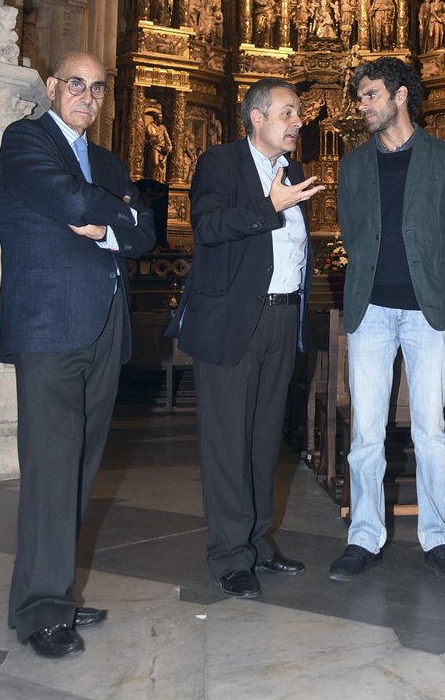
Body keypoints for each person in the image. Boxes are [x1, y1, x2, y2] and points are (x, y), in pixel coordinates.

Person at [0, 52, 156, 658]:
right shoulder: (25, 141)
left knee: (81, 469)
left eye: (98, 89)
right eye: (76, 85)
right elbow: (65, 198)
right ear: (54, 87)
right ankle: (41, 612)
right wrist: (115, 213)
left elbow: (146, 233)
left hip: (104, 326)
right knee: (50, 471)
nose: (87, 96)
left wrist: (111, 223)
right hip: (50, 326)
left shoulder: (109, 162)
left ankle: (53, 592)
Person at [167, 78, 324, 597]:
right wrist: (271, 205)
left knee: (262, 438)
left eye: (298, 113)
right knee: (227, 439)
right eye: (288, 112)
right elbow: (208, 226)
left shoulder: (292, 171)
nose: (298, 121)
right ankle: (230, 554)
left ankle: (256, 543)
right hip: (235, 318)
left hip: (282, 317)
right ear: (257, 118)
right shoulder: (221, 163)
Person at [329, 57, 445, 582]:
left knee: (431, 431)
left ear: (400, 96)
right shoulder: (353, 165)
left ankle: (439, 537)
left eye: (370, 96)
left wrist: (429, 273)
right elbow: (350, 229)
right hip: (369, 310)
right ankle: (363, 537)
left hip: (425, 310)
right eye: (361, 97)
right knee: (366, 432)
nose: (362, 106)